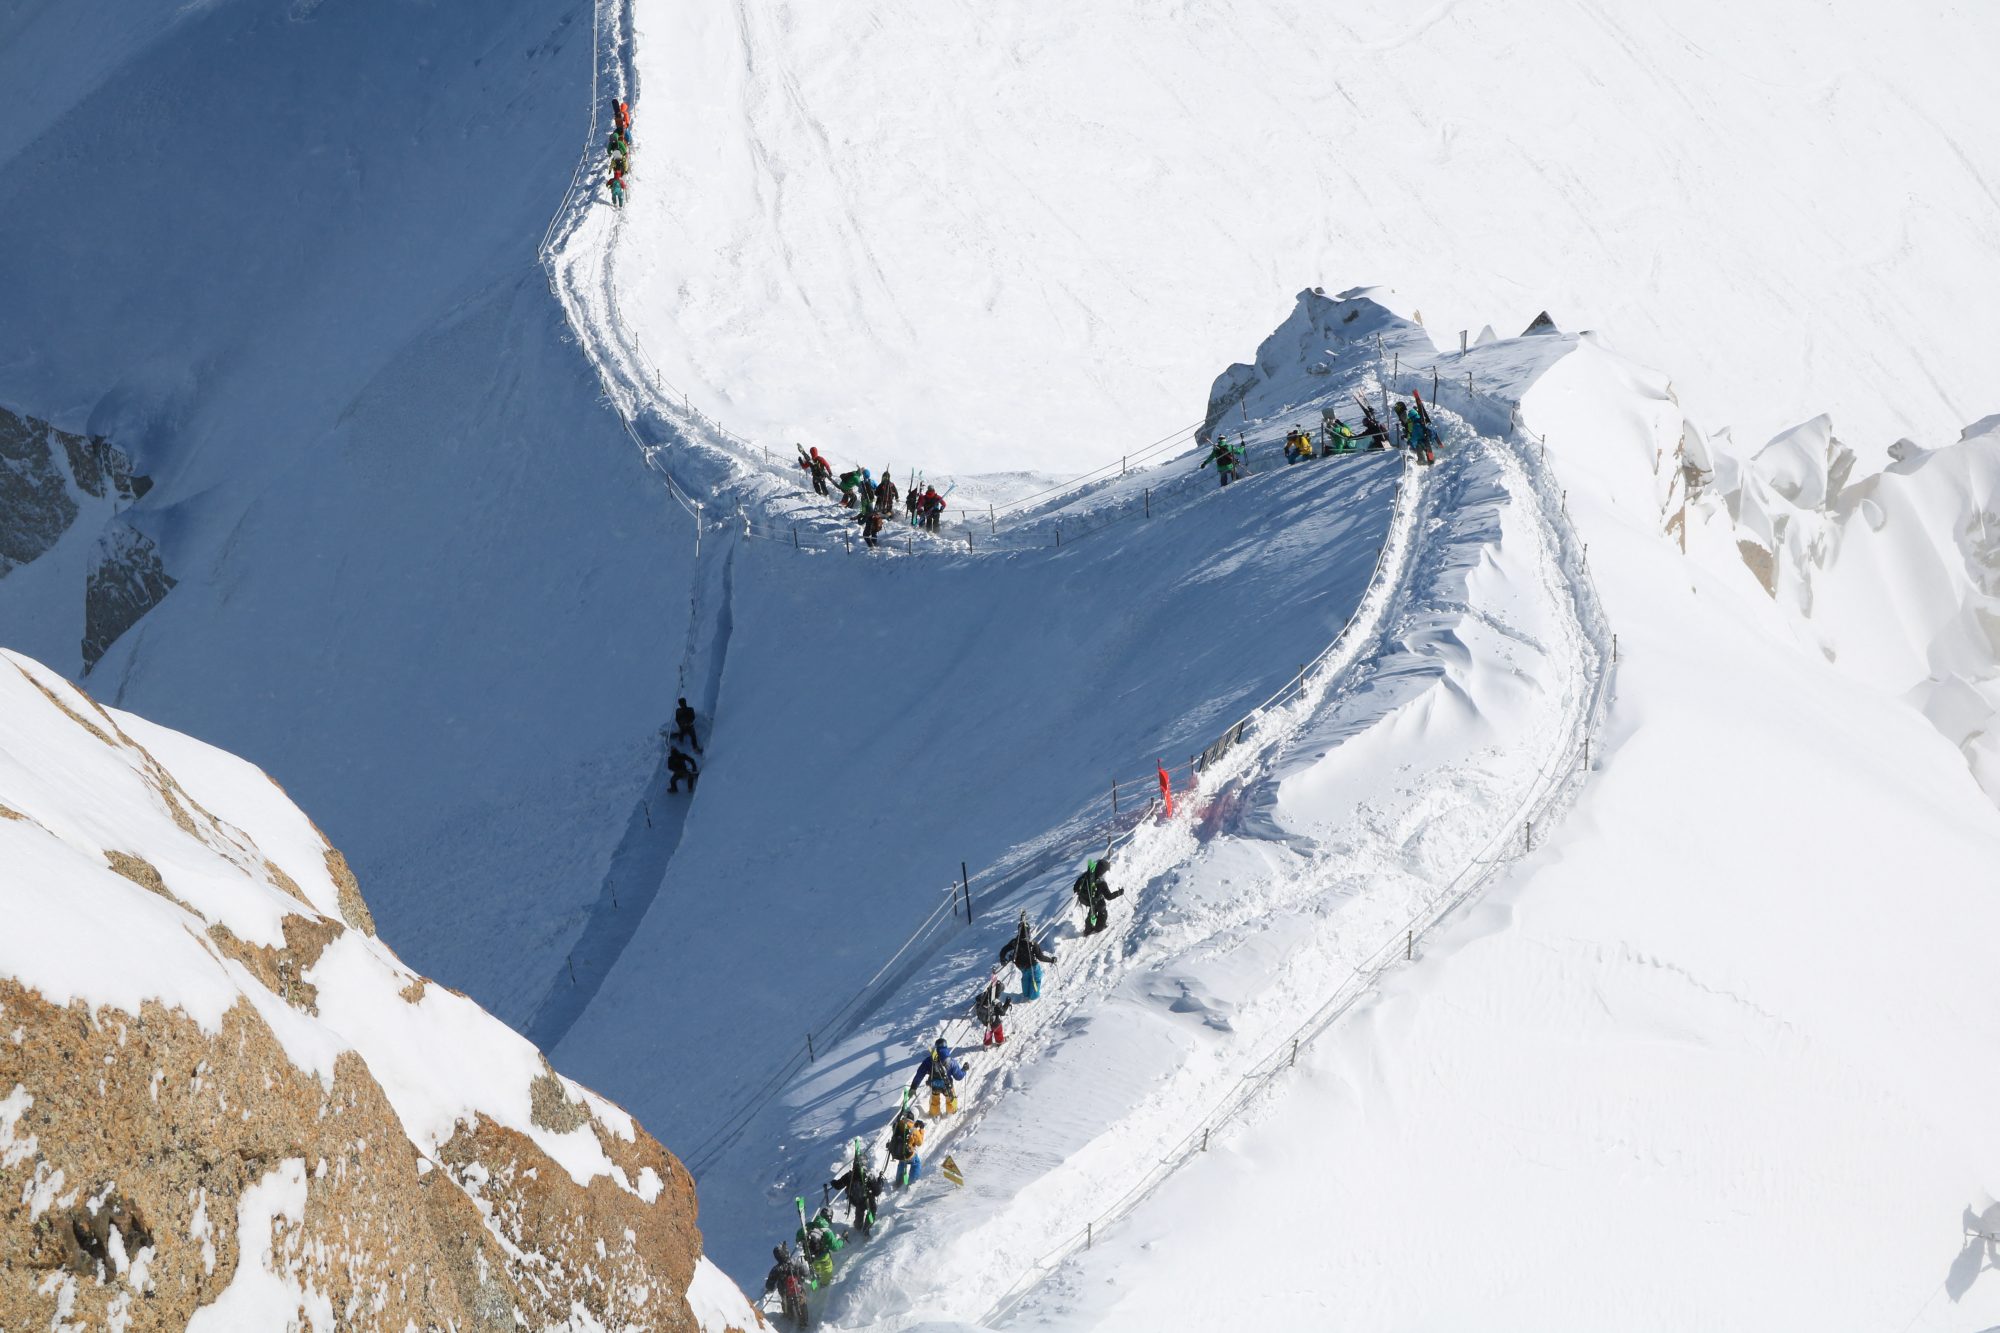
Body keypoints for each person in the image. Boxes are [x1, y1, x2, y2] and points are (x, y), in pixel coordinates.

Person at [826, 1140, 883, 1237]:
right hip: (869, 1201)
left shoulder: (849, 1176)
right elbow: (877, 1192)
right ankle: (867, 1230)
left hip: (856, 1201)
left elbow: (837, 1185)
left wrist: (832, 1182)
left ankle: (858, 1225)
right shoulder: (868, 1176)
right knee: (872, 1210)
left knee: (859, 1212)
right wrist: (877, 1181)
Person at [998, 910, 1058, 1000]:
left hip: (1023, 968)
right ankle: (1032, 998)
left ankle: (1026, 995)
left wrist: (1002, 959)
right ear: (1028, 932)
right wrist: (1051, 960)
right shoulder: (1032, 944)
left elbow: (1003, 950)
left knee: (1026, 984)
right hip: (1033, 967)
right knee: (1035, 984)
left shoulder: (1014, 942)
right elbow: (1040, 957)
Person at [909, 1036, 969, 1117]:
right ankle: (950, 1113)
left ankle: (935, 1114)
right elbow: (959, 1077)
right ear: (946, 1046)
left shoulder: (928, 1061)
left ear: (936, 1047)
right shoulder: (951, 1062)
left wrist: (914, 1087)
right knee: (950, 1099)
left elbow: (920, 1073)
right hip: (947, 1086)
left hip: (934, 1085)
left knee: (935, 1101)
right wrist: (964, 1070)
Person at [1071, 857, 1125, 935]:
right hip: (1098, 901)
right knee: (1103, 913)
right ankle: (1099, 928)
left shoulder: (1087, 875)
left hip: (1088, 900)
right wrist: (1119, 893)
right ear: (1102, 871)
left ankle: (1088, 930)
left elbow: (1076, 886)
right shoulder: (1102, 883)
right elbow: (1109, 896)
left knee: (1092, 912)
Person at [764, 1244, 812, 1328]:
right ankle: (803, 1322)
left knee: (786, 1303)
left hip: (785, 1293)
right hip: (798, 1289)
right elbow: (806, 1272)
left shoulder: (776, 1269)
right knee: (801, 1304)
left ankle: (789, 1315)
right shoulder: (795, 1262)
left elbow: (769, 1286)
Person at [796, 1205, 843, 1288]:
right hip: (823, 1256)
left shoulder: (809, 1225)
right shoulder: (827, 1232)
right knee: (827, 1269)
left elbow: (798, 1235)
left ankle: (817, 1274)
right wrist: (841, 1241)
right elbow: (835, 1247)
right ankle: (824, 1284)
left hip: (810, 1255)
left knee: (816, 1265)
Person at [887, 1104, 927, 1188]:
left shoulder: (898, 1123)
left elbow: (902, 1128)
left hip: (898, 1152)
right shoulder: (913, 1129)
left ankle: (898, 1182)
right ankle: (912, 1183)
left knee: (902, 1162)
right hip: (908, 1154)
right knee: (916, 1163)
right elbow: (919, 1143)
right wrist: (921, 1129)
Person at [972, 971, 1012, 1046]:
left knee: (989, 1031)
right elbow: (1002, 1012)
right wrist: (1007, 1003)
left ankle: (987, 1044)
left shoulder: (984, 996)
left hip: (985, 1021)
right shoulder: (996, 1002)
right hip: (995, 1022)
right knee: (998, 1031)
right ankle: (999, 1041)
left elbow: (977, 998)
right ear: (998, 992)